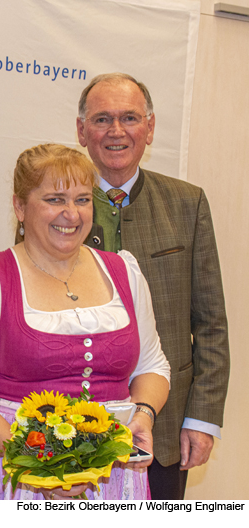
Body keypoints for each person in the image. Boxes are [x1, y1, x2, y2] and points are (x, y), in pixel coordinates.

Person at [0, 143, 171, 499]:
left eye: (82, 199)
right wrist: (41, 465)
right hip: (19, 472)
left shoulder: (123, 271)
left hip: (112, 476)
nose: (72, 214)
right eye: (54, 199)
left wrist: (143, 414)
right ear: (20, 206)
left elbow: (152, 365)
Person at [76, 73, 230, 499]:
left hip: (165, 432)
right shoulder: (57, 203)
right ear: (81, 131)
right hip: (77, 429)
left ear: (150, 127)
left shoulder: (187, 202)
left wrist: (201, 419)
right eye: (102, 119)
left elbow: (212, 321)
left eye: (129, 118)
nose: (116, 131)